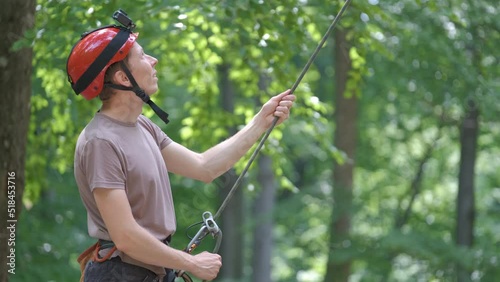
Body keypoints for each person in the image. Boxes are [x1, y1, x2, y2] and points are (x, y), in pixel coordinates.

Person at [66, 10, 295, 282]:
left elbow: (204, 167)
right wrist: (191, 263)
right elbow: (125, 236)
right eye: (142, 56)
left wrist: (260, 121)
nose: (153, 61)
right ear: (123, 79)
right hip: (120, 274)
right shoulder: (101, 142)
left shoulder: (143, 126)